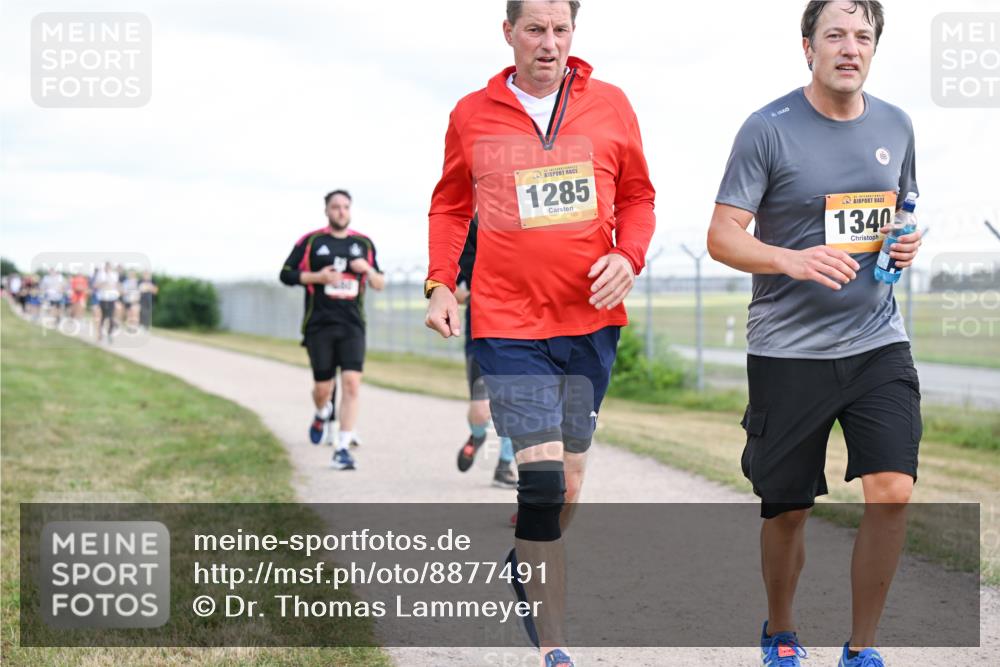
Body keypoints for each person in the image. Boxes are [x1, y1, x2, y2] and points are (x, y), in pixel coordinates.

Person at [424, 2, 655, 664]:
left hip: (588, 322)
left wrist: (627, 256)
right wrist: (441, 281)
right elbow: (450, 203)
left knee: (570, 483)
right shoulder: (472, 114)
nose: (549, 43)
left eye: (561, 30)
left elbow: (639, 197)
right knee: (545, 480)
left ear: (573, 34)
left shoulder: (610, 105)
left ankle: (526, 551)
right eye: (535, 29)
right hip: (508, 321)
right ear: (509, 34)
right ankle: (554, 646)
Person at [706, 3, 923, 666]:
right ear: (808, 47)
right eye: (836, 35)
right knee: (788, 509)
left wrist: (906, 242)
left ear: (874, 48)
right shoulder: (766, 130)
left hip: (877, 338)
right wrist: (789, 258)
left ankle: (861, 648)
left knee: (893, 489)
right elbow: (721, 236)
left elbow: (902, 209)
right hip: (788, 349)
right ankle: (780, 629)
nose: (850, 47)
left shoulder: (896, 125)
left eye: (863, 36)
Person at [280, 189, 385, 471]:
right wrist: (319, 277)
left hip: (352, 325)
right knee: (322, 388)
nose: (341, 211)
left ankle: (342, 447)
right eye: (335, 207)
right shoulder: (312, 241)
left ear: (350, 210)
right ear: (326, 211)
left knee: (351, 384)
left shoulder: (363, 243)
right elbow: (286, 274)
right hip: (320, 325)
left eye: (345, 207)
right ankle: (321, 411)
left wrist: (367, 270)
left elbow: (379, 283)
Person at [454, 216, 517, 489]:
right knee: (481, 410)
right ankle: (477, 435)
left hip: (521, 330)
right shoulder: (468, 231)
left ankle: (504, 465)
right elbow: (454, 289)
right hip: (482, 333)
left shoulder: (522, 225)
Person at [94, 262, 121, 342]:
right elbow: (96, 285)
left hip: (112, 298)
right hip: (102, 298)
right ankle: (100, 334)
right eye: (106, 267)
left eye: (109, 267)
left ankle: (110, 333)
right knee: (101, 317)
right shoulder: (100, 274)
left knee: (111, 317)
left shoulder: (114, 275)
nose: (107, 269)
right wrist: (103, 284)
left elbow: (116, 286)